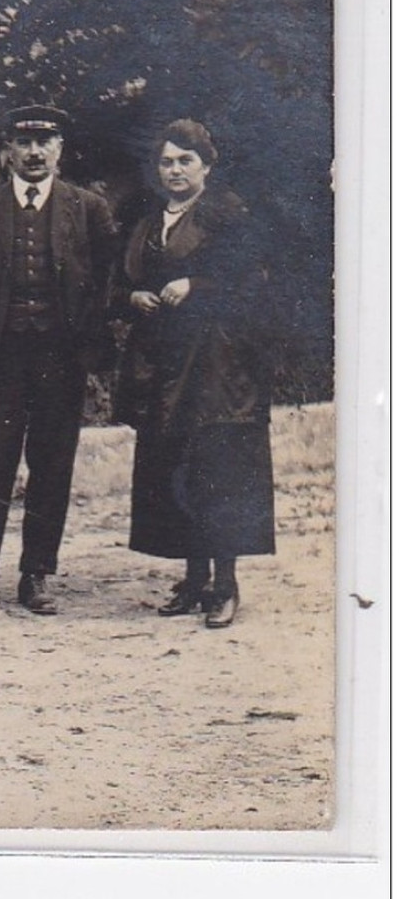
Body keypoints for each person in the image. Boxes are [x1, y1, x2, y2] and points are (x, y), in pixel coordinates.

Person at [0, 104, 118, 615]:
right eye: (24, 142)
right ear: (8, 151)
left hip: (62, 359)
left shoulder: (87, 209)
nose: (34, 152)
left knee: (52, 467)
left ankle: (37, 575)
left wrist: (88, 337)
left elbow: (108, 280)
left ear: (60, 150)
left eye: (45, 142)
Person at [115, 120, 275, 628]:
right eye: (167, 161)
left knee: (218, 469)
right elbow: (125, 278)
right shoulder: (147, 220)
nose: (176, 170)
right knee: (177, 466)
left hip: (217, 368)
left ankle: (224, 585)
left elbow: (254, 282)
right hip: (164, 363)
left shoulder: (229, 215)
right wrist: (131, 297)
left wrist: (197, 285)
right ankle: (193, 578)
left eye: (186, 160)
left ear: (207, 165)